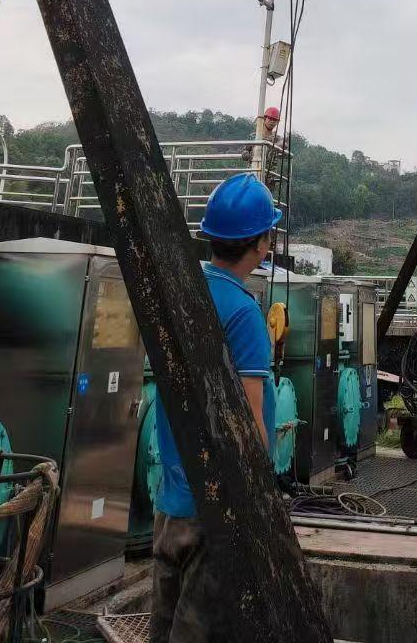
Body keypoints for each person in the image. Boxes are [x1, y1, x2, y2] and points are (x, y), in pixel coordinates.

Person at [151, 173, 282, 643]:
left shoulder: (183, 290)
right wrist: (259, 498)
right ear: (260, 244)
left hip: (172, 499)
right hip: (217, 505)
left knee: (163, 626)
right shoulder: (244, 313)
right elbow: (249, 419)